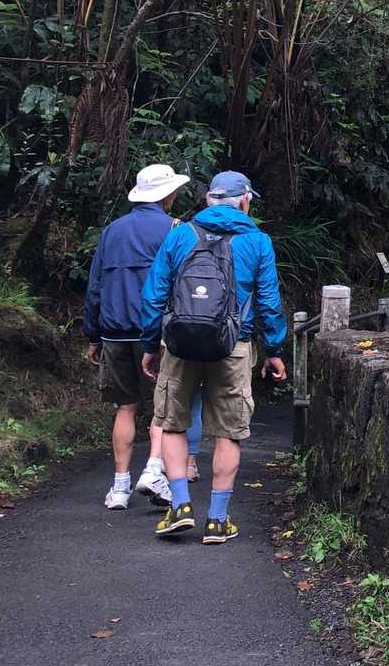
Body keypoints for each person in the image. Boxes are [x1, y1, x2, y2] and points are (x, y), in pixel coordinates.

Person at [139, 171, 287, 544]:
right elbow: (269, 301)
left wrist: (149, 344)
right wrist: (274, 350)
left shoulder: (180, 234)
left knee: (172, 423)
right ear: (245, 201)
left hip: (180, 345)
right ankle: (218, 520)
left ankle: (180, 506)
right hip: (233, 346)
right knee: (229, 432)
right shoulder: (257, 241)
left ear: (208, 199)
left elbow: (154, 294)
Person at [84, 163, 193, 510]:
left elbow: (95, 286)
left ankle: (119, 487)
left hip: (114, 331)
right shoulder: (176, 229)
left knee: (125, 407)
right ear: (167, 194)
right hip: (156, 334)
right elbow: (184, 285)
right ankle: (153, 471)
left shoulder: (111, 231)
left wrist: (93, 335)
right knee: (162, 408)